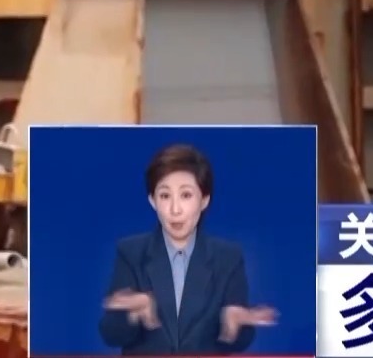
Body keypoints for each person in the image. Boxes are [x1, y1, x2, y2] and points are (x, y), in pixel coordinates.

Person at [99, 144, 277, 355]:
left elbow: (240, 340)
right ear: (152, 201)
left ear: (204, 200)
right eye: (165, 196)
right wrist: (131, 315)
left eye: (185, 195)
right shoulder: (131, 253)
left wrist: (234, 325)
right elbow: (110, 335)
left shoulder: (228, 257)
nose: (175, 210)